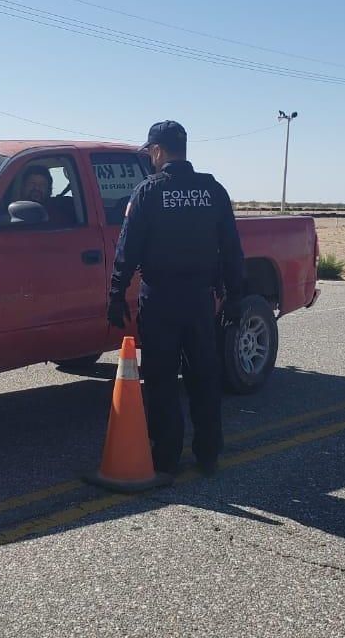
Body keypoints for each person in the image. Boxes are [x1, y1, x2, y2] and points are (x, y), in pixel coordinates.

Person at [107, 120, 246, 475]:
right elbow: (232, 248)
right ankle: (208, 453)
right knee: (204, 375)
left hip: (161, 301)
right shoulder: (212, 190)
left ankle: (166, 456)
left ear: (157, 151)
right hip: (201, 300)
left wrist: (116, 293)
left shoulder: (148, 192)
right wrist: (235, 296)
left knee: (162, 379)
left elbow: (128, 250)